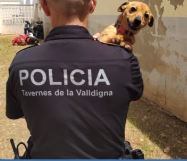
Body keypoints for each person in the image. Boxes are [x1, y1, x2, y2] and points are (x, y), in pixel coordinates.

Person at [6, 0, 143, 159]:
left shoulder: (22, 63)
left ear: (44, 6)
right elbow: (133, 95)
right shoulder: (124, 61)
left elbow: (17, 112)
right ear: (92, 5)